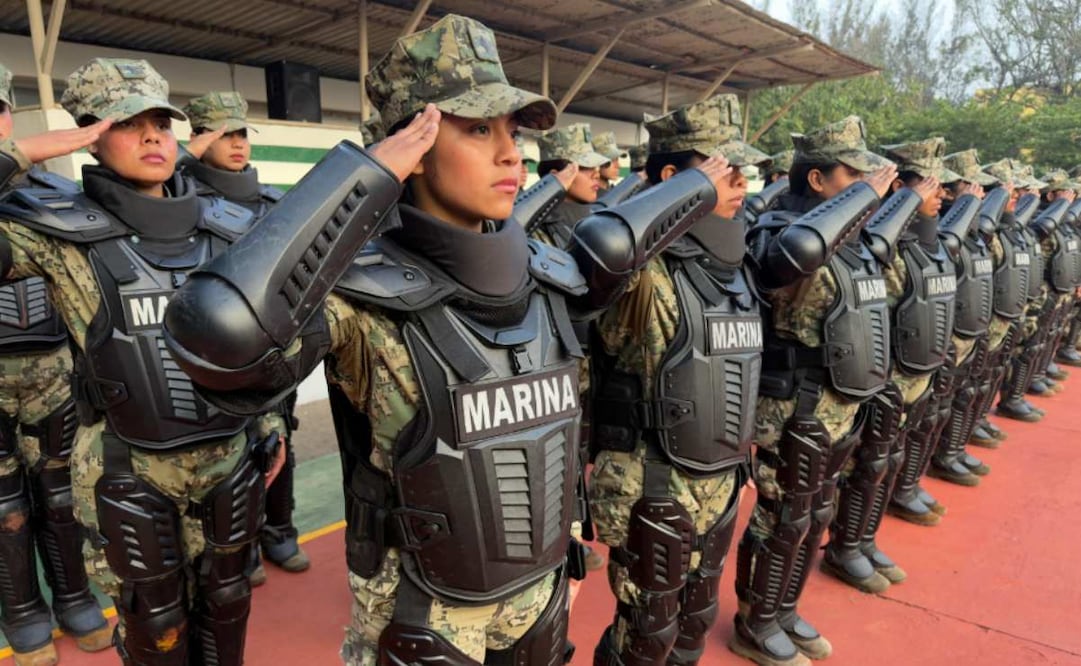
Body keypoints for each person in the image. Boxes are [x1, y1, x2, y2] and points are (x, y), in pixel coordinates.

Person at [161, 15, 732, 665]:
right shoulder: (359, 302)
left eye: (512, 132)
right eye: (478, 129)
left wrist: (698, 182)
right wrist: (368, 175)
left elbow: (612, 248)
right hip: (424, 610)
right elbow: (217, 332)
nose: (509, 153)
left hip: (539, 591)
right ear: (413, 143)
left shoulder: (550, 280)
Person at [0, 57, 286, 665]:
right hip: (130, 466)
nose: (153, 135)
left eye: (162, 120)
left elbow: (255, 344)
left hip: (227, 459)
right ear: (91, 134)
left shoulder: (225, 226)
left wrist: (269, 420)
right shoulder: (60, 231)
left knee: (228, 602)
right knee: (155, 621)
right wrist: (22, 153)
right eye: (129, 122)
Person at [587, 93, 773, 666]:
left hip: (718, 469)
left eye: (744, 170)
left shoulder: (735, 264)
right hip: (653, 477)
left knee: (694, 622)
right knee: (648, 631)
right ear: (673, 179)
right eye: (722, 171)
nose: (740, 183)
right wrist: (679, 197)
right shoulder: (642, 270)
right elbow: (600, 246)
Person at [731, 116, 906, 666]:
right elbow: (781, 269)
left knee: (816, 514)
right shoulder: (779, 231)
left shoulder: (854, 240)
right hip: (795, 406)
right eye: (851, 173)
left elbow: (887, 290)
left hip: (842, 399)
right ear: (817, 181)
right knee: (783, 516)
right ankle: (755, 619)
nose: (866, 184)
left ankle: (784, 608)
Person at [0, 61, 113, 666]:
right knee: (5, 509)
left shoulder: (57, 197)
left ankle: (73, 595)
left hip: (52, 372)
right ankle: (22, 612)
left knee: (60, 492)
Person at [179, 91, 310, 583]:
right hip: (219, 346)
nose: (236, 144)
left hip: (275, 344)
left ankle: (280, 532)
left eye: (240, 134)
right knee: (231, 452)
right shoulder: (181, 199)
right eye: (221, 134)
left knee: (280, 440)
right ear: (198, 139)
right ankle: (244, 545)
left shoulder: (273, 203)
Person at [822, 138, 950, 590]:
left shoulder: (922, 239)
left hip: (908, 370)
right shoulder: (880, 240)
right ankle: (845, 544)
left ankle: (863, 538)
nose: (942, 194)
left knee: (888, 458)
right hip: (881, 375)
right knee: (869, 462)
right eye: (928, 185)